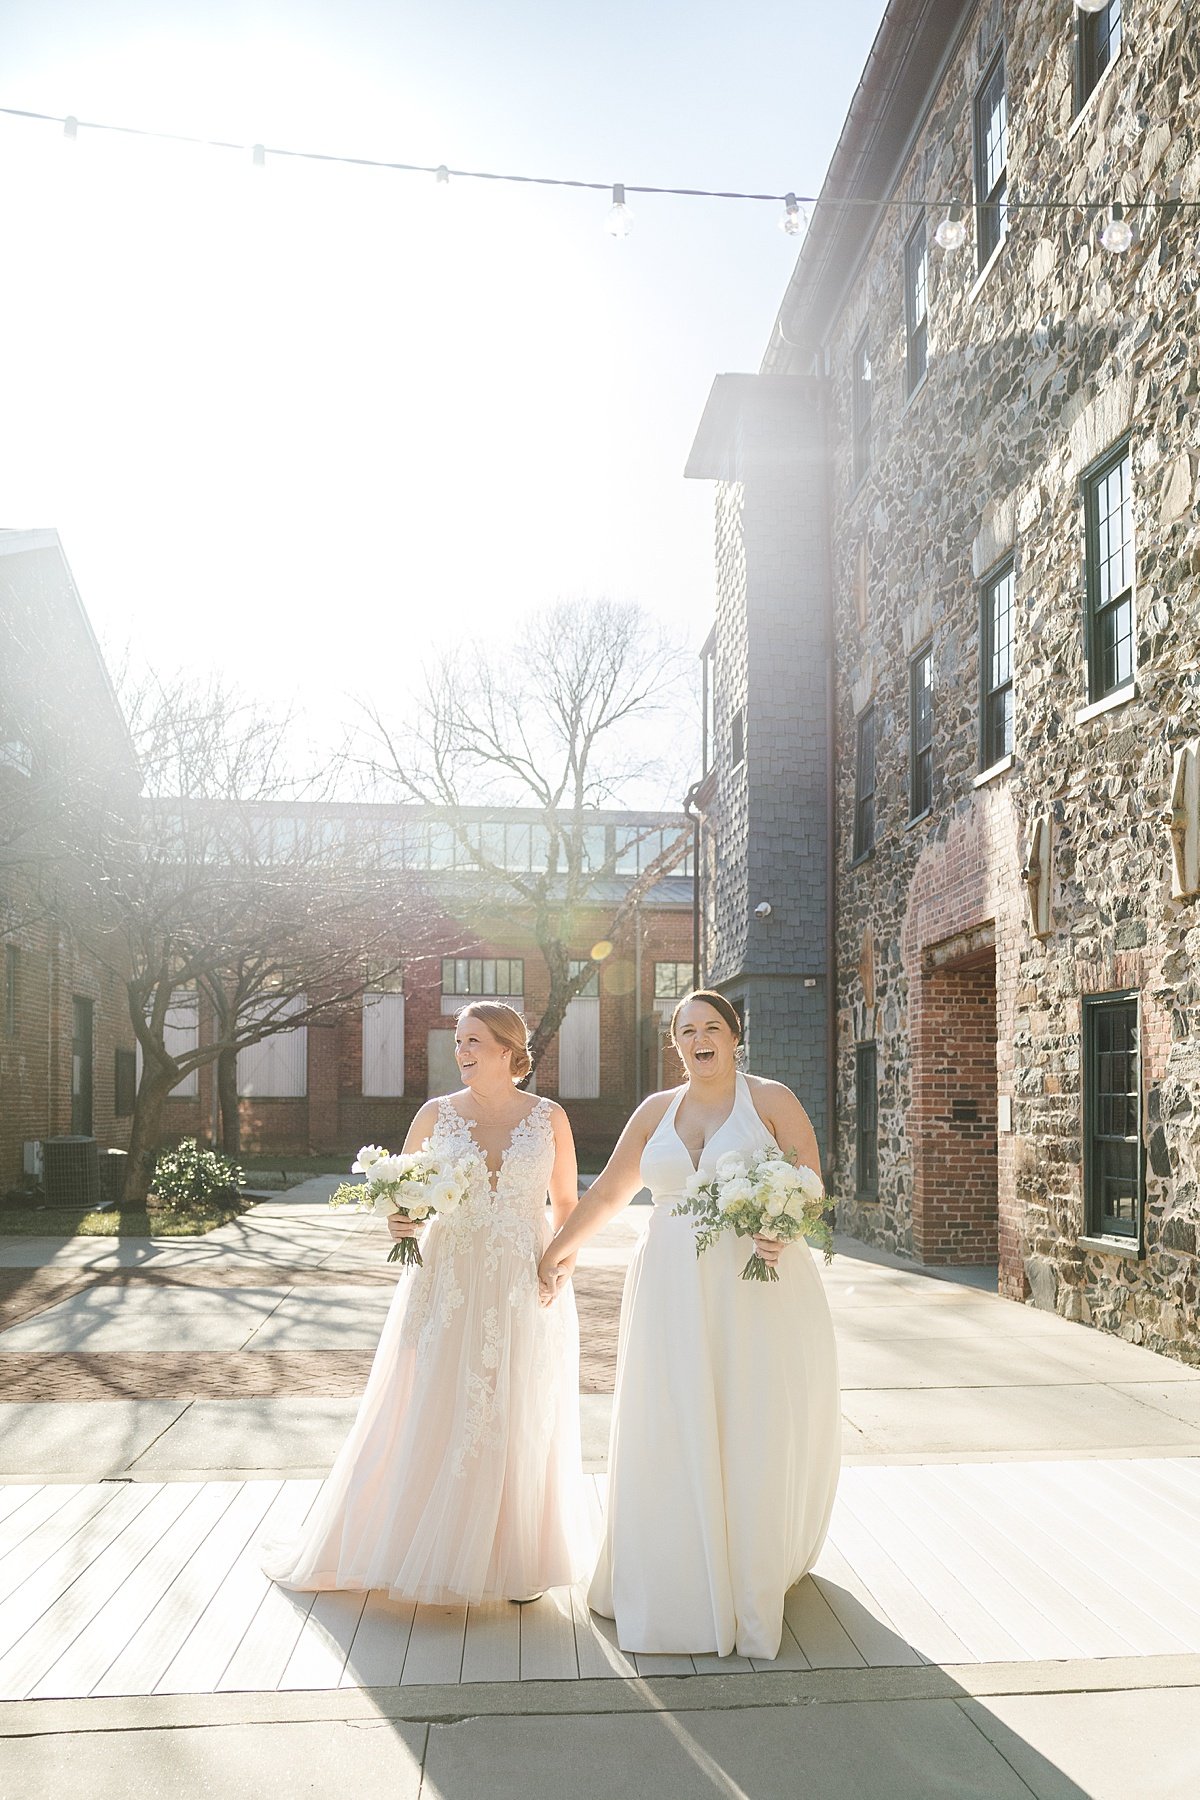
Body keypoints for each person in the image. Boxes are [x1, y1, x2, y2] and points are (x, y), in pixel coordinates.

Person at [538, 990, 840, 1660]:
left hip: (754, 1285)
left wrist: (784, 1227)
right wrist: (558, 1250)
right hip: (671, 1285)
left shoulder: (771, 1100)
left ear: (735, 1036)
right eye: (685, 1031)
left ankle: (747, 1571)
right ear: (674, 1043)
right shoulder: (656, 1111)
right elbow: (611, 1192)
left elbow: (809, 1177)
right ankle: (672, 1573)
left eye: (711, 1028)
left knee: (748, 1416)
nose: (699, 1039)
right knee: (669, 1416)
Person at [264, 1001, 590, 1605]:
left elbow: (567, 1205)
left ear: (506, 1049)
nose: (460, 1052)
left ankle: (518, 1559)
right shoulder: (435, 1115)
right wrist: (400, 1220)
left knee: (518, 1401)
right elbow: (406, 1195)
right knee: (437, 1399)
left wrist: (559, 1264)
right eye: (457, 1043)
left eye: (472, 1041)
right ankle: (419, 1547)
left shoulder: (550, 1118)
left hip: (524, 1274)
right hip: (449, 1275)